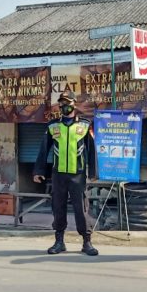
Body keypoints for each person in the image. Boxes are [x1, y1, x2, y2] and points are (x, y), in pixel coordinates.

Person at [33, 90, 98, 256]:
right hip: (58, 175)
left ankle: (86, 242)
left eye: (67, 103)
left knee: (81, 209)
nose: (64, 107)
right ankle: (59, 241)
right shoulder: (53, 126)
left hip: (79, 174)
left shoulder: (84, 125)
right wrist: (39, 171)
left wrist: (94, 172)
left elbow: (92, 151)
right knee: (58, 207)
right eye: (61, 104)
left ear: (74, 104)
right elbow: (43, 150)